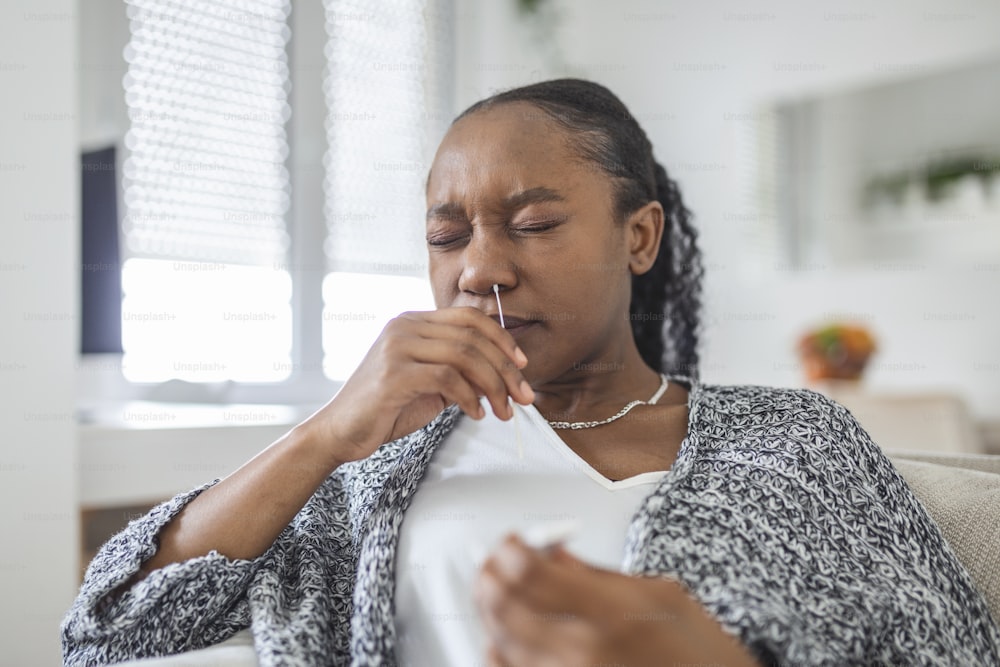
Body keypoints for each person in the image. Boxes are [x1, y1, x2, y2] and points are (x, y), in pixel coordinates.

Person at [62, 79, 1000, 667]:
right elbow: (106, 632)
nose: (479, 268)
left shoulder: (797, 439)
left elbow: (946, 648)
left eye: (536, 223)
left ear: (640, 236)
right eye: (446, 234)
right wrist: (327, 432)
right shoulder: (376, 464)